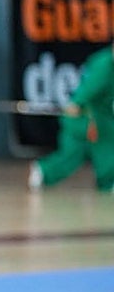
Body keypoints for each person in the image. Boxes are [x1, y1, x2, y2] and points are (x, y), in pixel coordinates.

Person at [28, 43, 114, 193]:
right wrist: (76, 103)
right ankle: (43, 171)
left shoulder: (106, 60)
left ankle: (43, 171)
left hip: (98, 120)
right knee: (101, 151)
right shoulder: (105, 65)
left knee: (80, 153)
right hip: (86, 119)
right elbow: (90, 87)